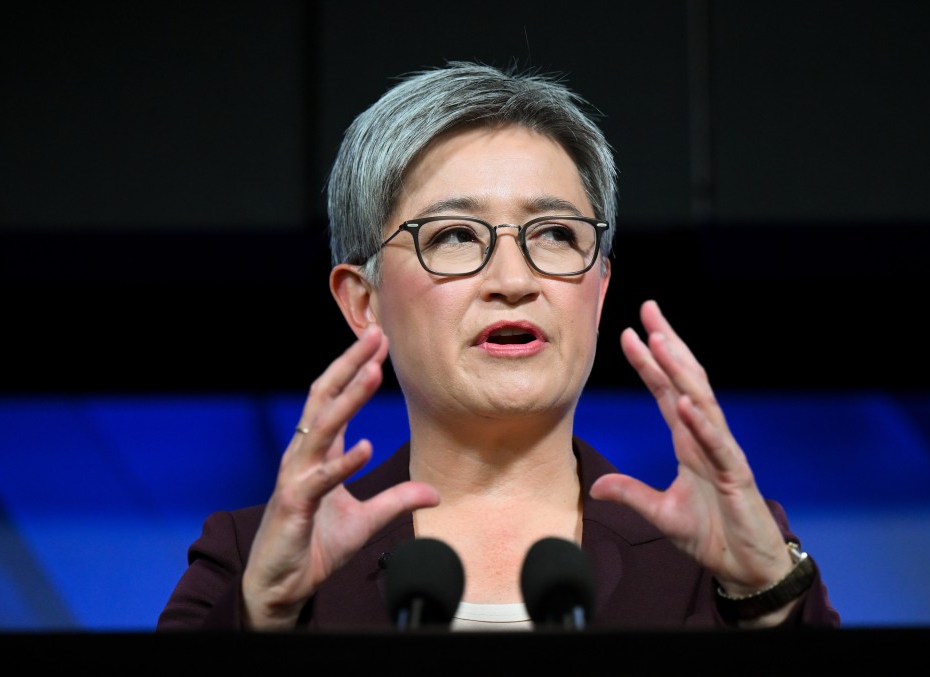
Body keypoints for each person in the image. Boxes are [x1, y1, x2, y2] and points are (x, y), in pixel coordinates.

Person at [157, 61, 840, 632]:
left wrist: (769, 598)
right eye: (455, 236)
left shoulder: (713, 565)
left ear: (598, 289)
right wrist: (263, 613)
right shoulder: (251, 558)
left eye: (553, 234)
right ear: (363, 302)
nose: (513, 280)